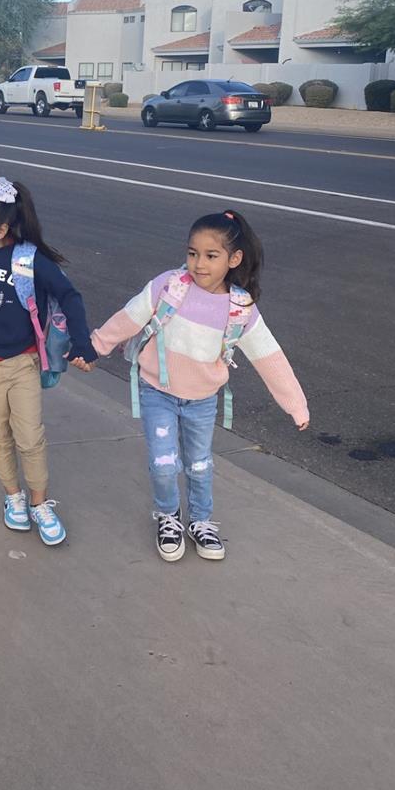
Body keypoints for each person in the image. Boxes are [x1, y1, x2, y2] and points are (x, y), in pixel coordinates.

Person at [90, 209, 309, 562]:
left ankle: (202, 521)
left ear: (234, 259)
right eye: (192, 253)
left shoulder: (240, 309)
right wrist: (95, 345)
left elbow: (269, 358)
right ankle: (169, 516)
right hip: (157, 391)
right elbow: (129, 317)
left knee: (199, 464)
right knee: (163, 463)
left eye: (211, 256)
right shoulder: (169, 285)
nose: (198, 264)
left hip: (203, 400)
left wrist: (296, 404)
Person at [0, 174, 97, 546]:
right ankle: (14, 498)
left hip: (22, 363)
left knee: (30, 437)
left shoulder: (28, 259)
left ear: (2, 229)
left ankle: (40, 502)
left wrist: (82, 342)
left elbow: (69, 296)